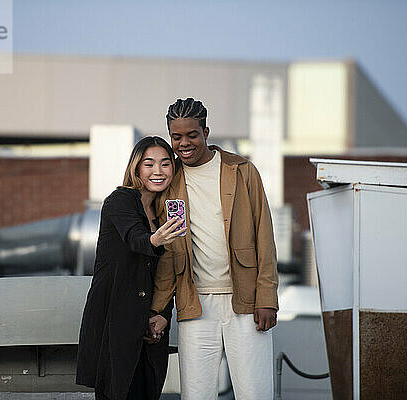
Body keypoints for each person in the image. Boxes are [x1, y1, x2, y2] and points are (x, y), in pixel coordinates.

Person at [150, 98, 279, 399]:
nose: (184, 143)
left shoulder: (242, 170)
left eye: (192, 135)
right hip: (194, 304)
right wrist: (157, 308)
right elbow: (169, 254)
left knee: (255, 393)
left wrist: (267, 297)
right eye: (176, 137)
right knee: (196, 394)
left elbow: (265, 237)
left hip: (246, 303)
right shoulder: (169, 181)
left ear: (206, 132)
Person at [76, 136, 187, 400]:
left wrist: (163, 315)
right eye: (149, 164)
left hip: (151, 324)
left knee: (148, 390)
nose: (158, 171)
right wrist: (156, 239)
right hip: (116, 319)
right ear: (136, 168)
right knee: (116, 391)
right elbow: (135, 238)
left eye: (165, 164)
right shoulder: (120, 200)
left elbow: (168, 273)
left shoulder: (165, 211)